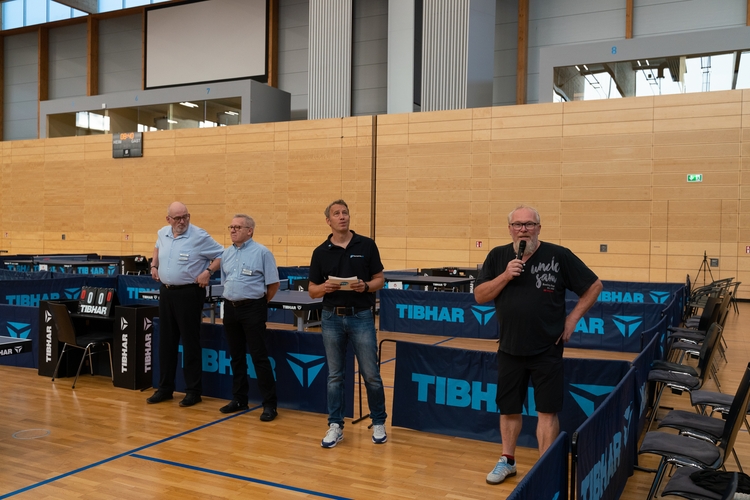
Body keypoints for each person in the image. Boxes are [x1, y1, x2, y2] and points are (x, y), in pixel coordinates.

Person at [474, 204, 602, 485]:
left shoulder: (559, 255)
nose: (523, 229)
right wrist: (506, 275)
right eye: (518, 224)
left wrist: (571, 321)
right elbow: (480, 296)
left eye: (529, 224)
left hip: (547, 348)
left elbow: (594, 286)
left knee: (547, 410)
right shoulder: (498, 256)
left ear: (539, 228)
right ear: (509, 229)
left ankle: (545, 467)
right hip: (509, 347)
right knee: (509, 409)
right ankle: (507, 460)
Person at [308, 199, 388, 448]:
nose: (342, 216)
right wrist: (324, 287)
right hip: (331, 318)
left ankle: (378, 421)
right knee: (335, 376)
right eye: (336, 214)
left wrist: (365, 286)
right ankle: (335, 425)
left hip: (361, 316)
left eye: (345, 213)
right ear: (328, 221)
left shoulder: (366, 244)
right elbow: (312, 291)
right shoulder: (320, 252)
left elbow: (380, 280)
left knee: (371, 374)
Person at [147, 201, 223, 407]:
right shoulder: (163, 232)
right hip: (167, 292)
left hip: (189, 293)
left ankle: (193, 391)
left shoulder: (199, 236)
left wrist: (208, 272)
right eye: (178, 218)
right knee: (167, 343)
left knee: (190, 343)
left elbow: (222, 254)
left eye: (185, 217)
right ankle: (165, 388)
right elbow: (156, 246)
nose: (182, 221)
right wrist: (154, 264)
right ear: (168, 219)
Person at [219, 214, 280, 421]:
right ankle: (239, 398)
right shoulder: (226, 254)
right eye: (231, 227)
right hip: (230, 308)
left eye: (237, 227)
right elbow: (226, 281)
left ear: (249, 230)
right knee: (236, 356)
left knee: (259, 357)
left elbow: (273, 285)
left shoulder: (262, 252)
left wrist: (259, 304)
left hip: (253, 308)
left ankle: (270, 404)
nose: (233, 230)